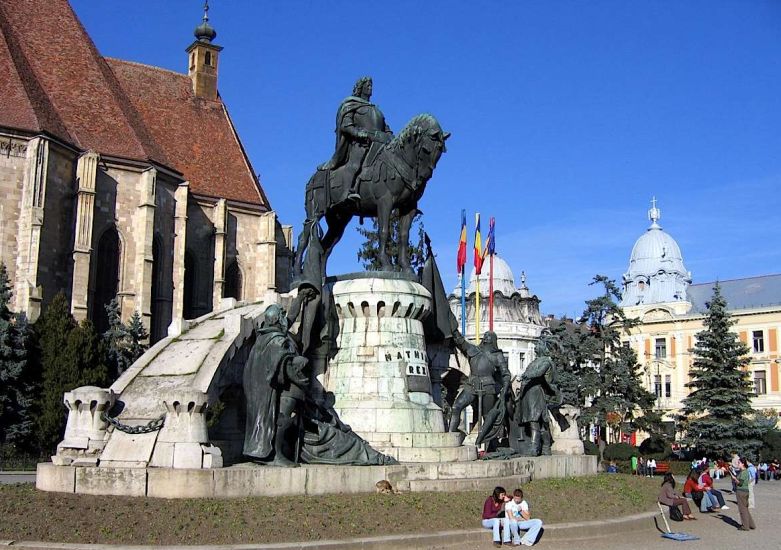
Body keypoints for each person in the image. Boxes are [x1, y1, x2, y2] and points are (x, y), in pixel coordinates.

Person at [318, 76, 393, 205]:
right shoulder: (352, 105)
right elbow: (345, 125)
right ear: (361, 88)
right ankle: (348, 191)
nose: (370, 88)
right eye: (367, 85)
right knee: (355, 164)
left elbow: (386, 128)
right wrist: (359, 133)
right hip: (361, 144)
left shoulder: (377, 110)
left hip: (380, 145)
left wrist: (391, 136)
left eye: (371, 86)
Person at [449, 329, 511, 434]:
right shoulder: (473, 349)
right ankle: (452, 434)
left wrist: (504, 389)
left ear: (493, 340)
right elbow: (460, 341)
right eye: (485, 335)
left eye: (489, 336)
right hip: (471, 384)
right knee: (456, 406)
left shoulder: (497, 355)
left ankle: (492, 443)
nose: (486, 337)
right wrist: (453, 329)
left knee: (488, 417)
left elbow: (505, 374)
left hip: (488, 387)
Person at [730, 457, 756, 531]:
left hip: (741, 491)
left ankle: (745, 526)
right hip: (744, 491)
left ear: (743, 464)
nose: (737, 464)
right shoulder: (744, 471)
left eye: (739, 463)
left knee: (742, 509)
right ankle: (751, 524)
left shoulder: (744, 472)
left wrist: (734, 479)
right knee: (745, 509)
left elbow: (740, 483)